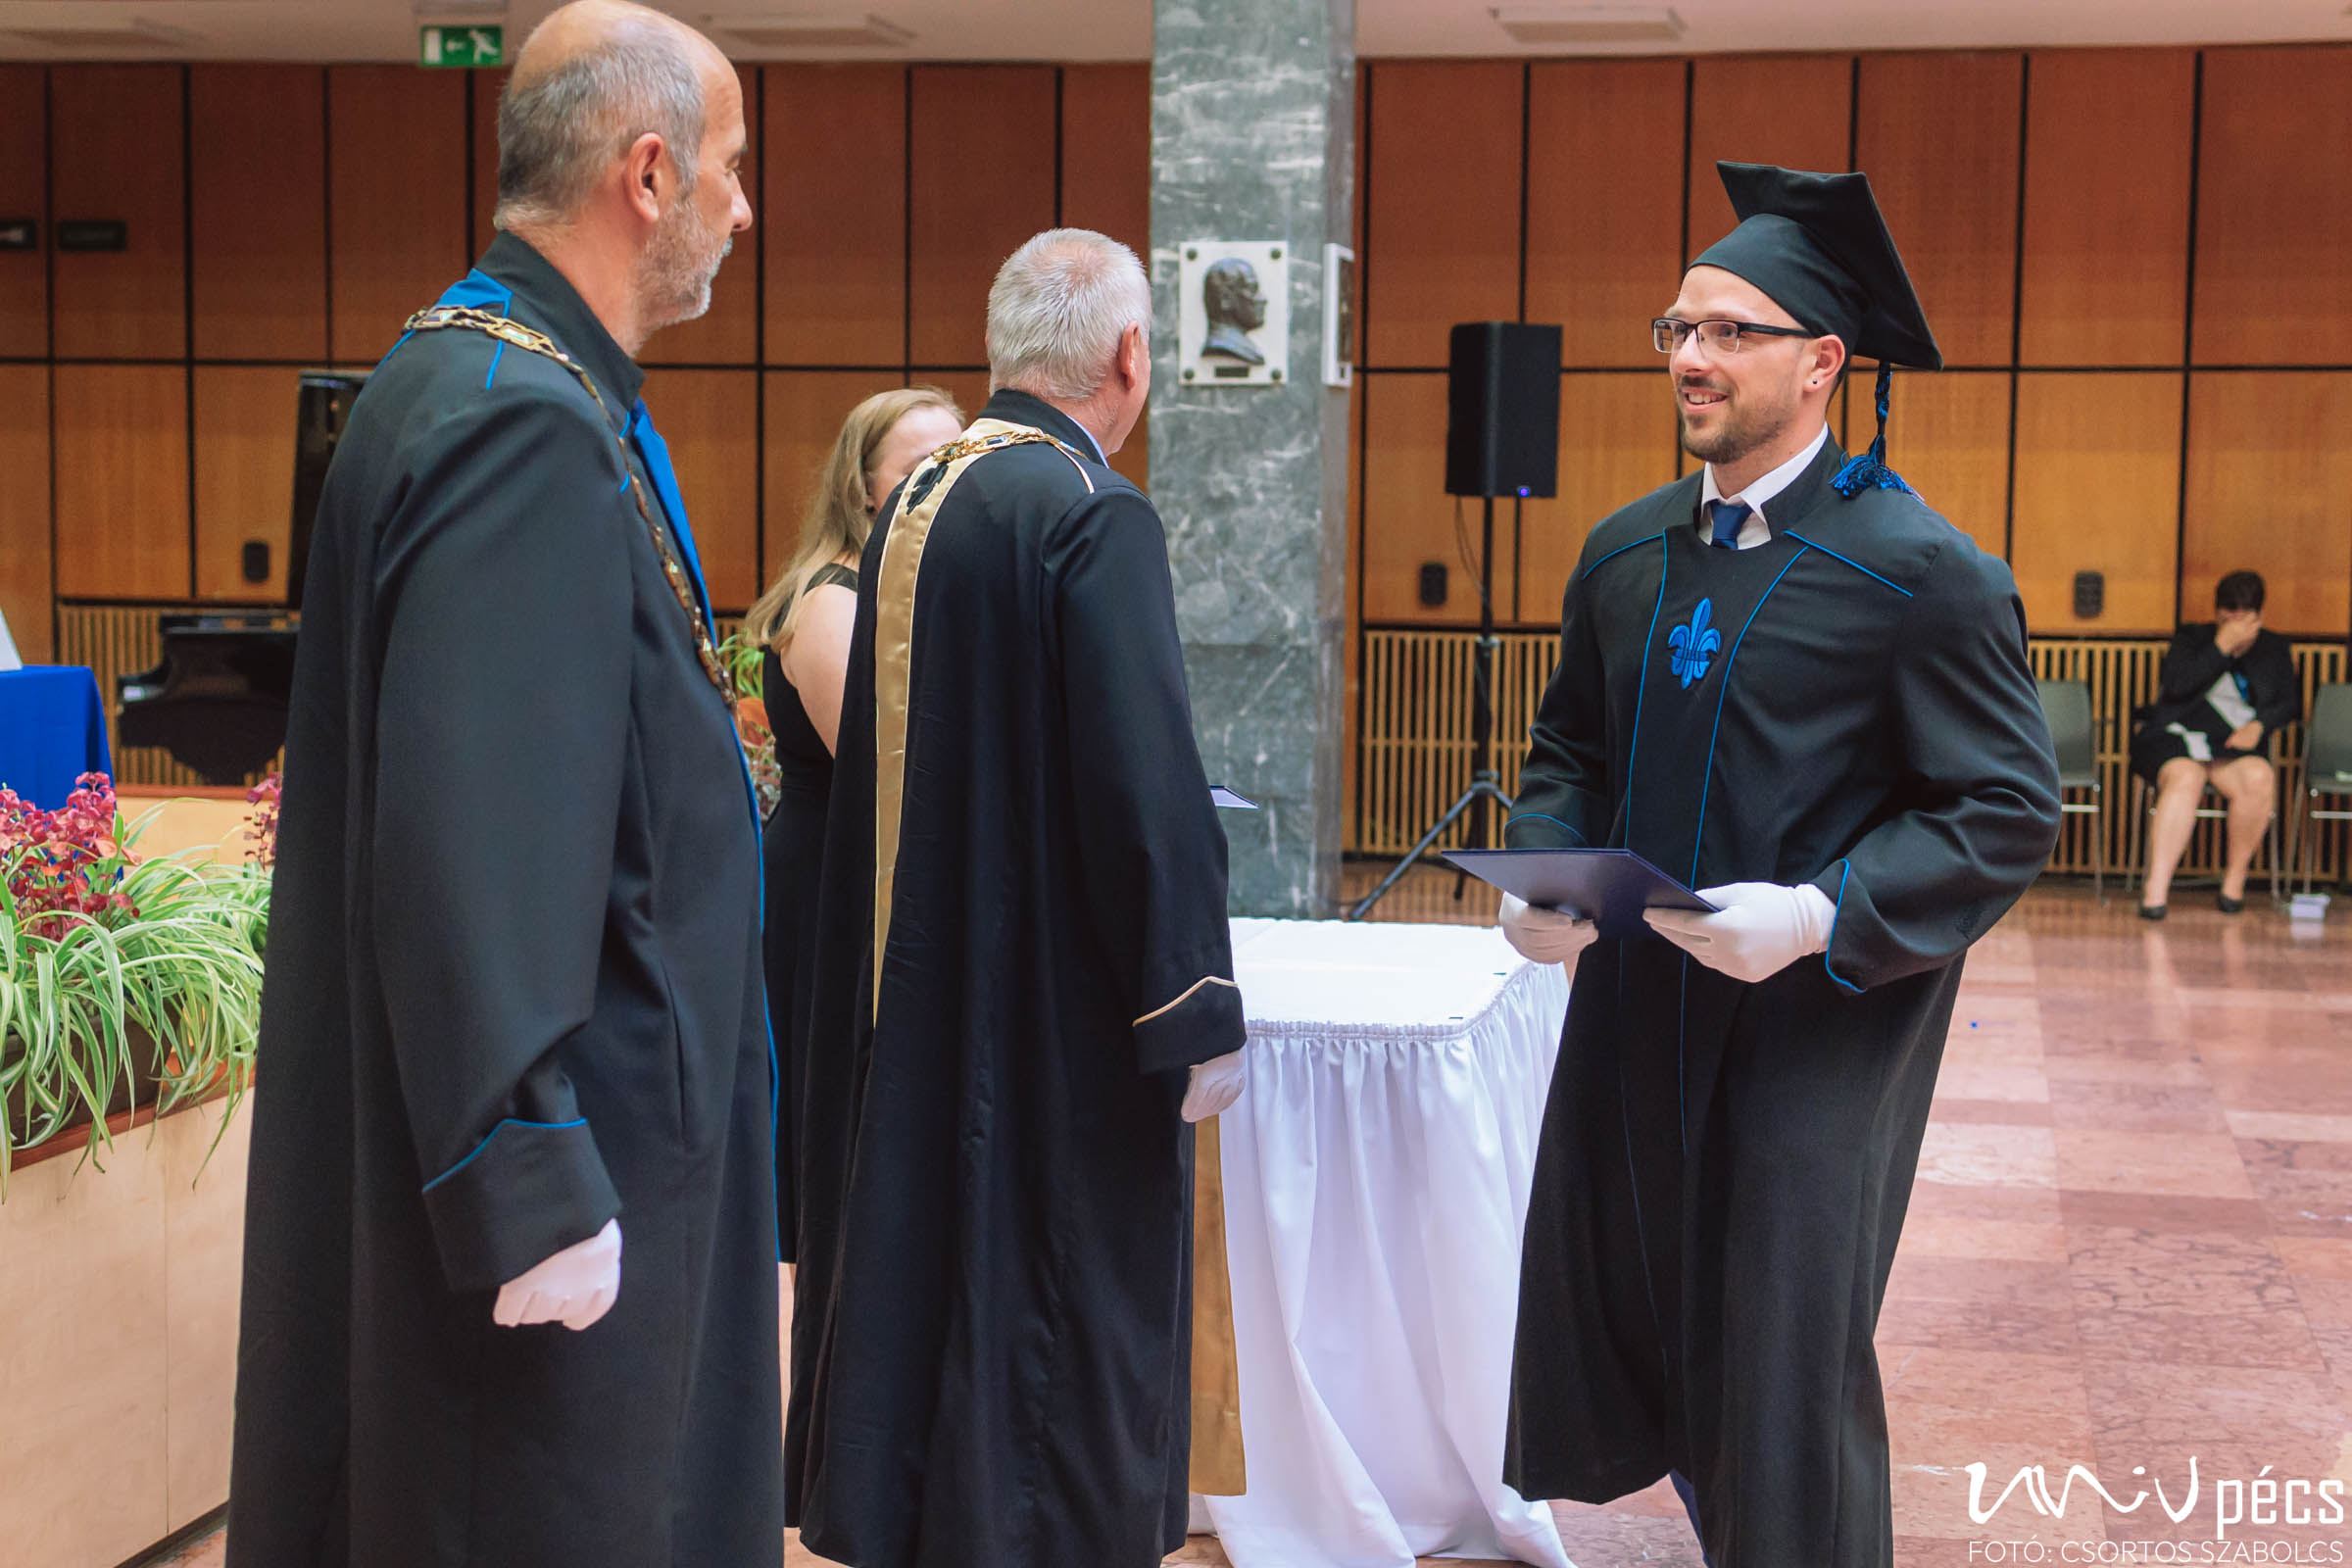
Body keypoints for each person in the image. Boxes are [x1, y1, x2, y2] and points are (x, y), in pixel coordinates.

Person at [225, 6, 779, 1565]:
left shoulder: (474, 374)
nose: (745, 210)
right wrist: (526, 1178)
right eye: (731, 170)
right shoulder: (520, 425)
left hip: (590, 1139)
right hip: (568, 1189)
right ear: (648, 175)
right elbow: (471, 841)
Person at [1496, 163, 2061, 1568]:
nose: (1690, 356)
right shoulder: (1624, 554)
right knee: (1660, 1321)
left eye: (1730, 331)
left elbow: (2003, 806)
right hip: (1639, 1017)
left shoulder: (1919, 573)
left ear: (1822, 362)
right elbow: (1570, 747)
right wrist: (1544, 876)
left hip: (1815, 1033)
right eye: (1678, 328)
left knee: (1782, 1367)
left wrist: (1819, 914)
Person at [786, 228, 1250, 1568]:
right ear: (1129, 354)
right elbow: (1145, 782)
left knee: (940, 1267)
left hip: (924, 973)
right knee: (1061, 1296)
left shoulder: (927, 495)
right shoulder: (1091, 510)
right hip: (1055, 1004)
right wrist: (1194, 1002)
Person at [739, 384, 964, 1262]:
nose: (942, 483)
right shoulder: (834, 598)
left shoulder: (907, 584)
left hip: (880, 869)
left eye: (956, 463)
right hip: (831, 881)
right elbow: (879, 766)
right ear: (862, 486)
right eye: (920, 467)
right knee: (826, 1108)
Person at [2130, 569, 2299, 917]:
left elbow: (2290, 703)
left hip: (2231, 747)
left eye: (2243, 618)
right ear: (2217, 613)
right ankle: (2155, 890)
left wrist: (2260, 725)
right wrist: (2221, 647)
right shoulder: (2192, 638)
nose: (2235, 625)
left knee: (2259, 778)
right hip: (2176, 739)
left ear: (2259, 616)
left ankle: (2233, 884)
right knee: (2185, 778)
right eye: (2227, 616)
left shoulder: (2273, 647)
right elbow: (2176, 686)